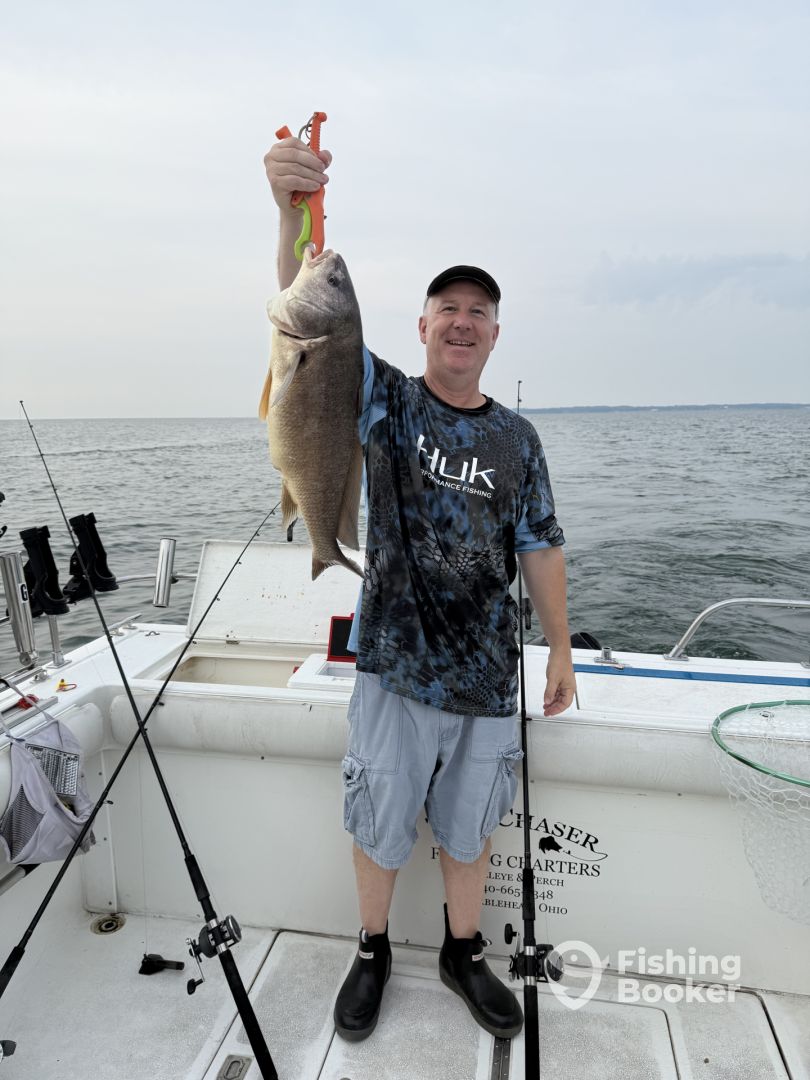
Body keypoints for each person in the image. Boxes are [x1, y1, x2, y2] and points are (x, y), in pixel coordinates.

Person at [264, 134, 576, 1043]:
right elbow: (305, 330)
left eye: (479, 311)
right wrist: (291, 214)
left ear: (495, 334)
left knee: (471, 828)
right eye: (448, 308)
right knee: (380, 818)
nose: (463, 322)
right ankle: (371, 950)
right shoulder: (386, 400)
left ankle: (462, 952)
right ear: (424, 326)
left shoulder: (519, 440)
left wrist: (560, 649)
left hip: (486, 675)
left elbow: (541, 547)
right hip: (394, 667)